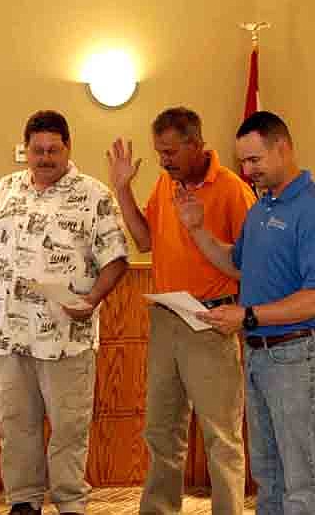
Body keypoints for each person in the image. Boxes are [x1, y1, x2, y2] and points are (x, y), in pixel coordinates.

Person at [0, 110, 128, 515]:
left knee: (68, 429)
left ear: (68, 148)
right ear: (25, 150)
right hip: (11, 338)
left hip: (68, 337)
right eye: (37, 150)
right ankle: (23, 502)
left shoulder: (94, 194)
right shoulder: (3, 191)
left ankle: (70, 503)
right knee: (14, 426)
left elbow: (116, 259)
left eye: (53, 149)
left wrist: (92, 300)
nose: (45, 157)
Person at [176, 110, 315, 515]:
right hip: (260, 356)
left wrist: (247, 316)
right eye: (242, 162)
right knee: (269, 479)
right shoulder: (262, 207)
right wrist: (197, 228)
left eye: (255, 161)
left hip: (301, 357)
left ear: (283, 148)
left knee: (303, 483)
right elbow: (237, 266)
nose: (248, 170)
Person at [107, 107, 256, 515]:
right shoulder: (163, 183)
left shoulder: (232, 190)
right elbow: (143, 242)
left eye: (170, 152)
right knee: (161, 431)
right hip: (167, 319)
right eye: (159, 153)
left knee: (221, 437)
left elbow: (250, 264)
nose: (163, 160)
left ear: (195, 144)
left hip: (211, 322)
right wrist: (122, 190)